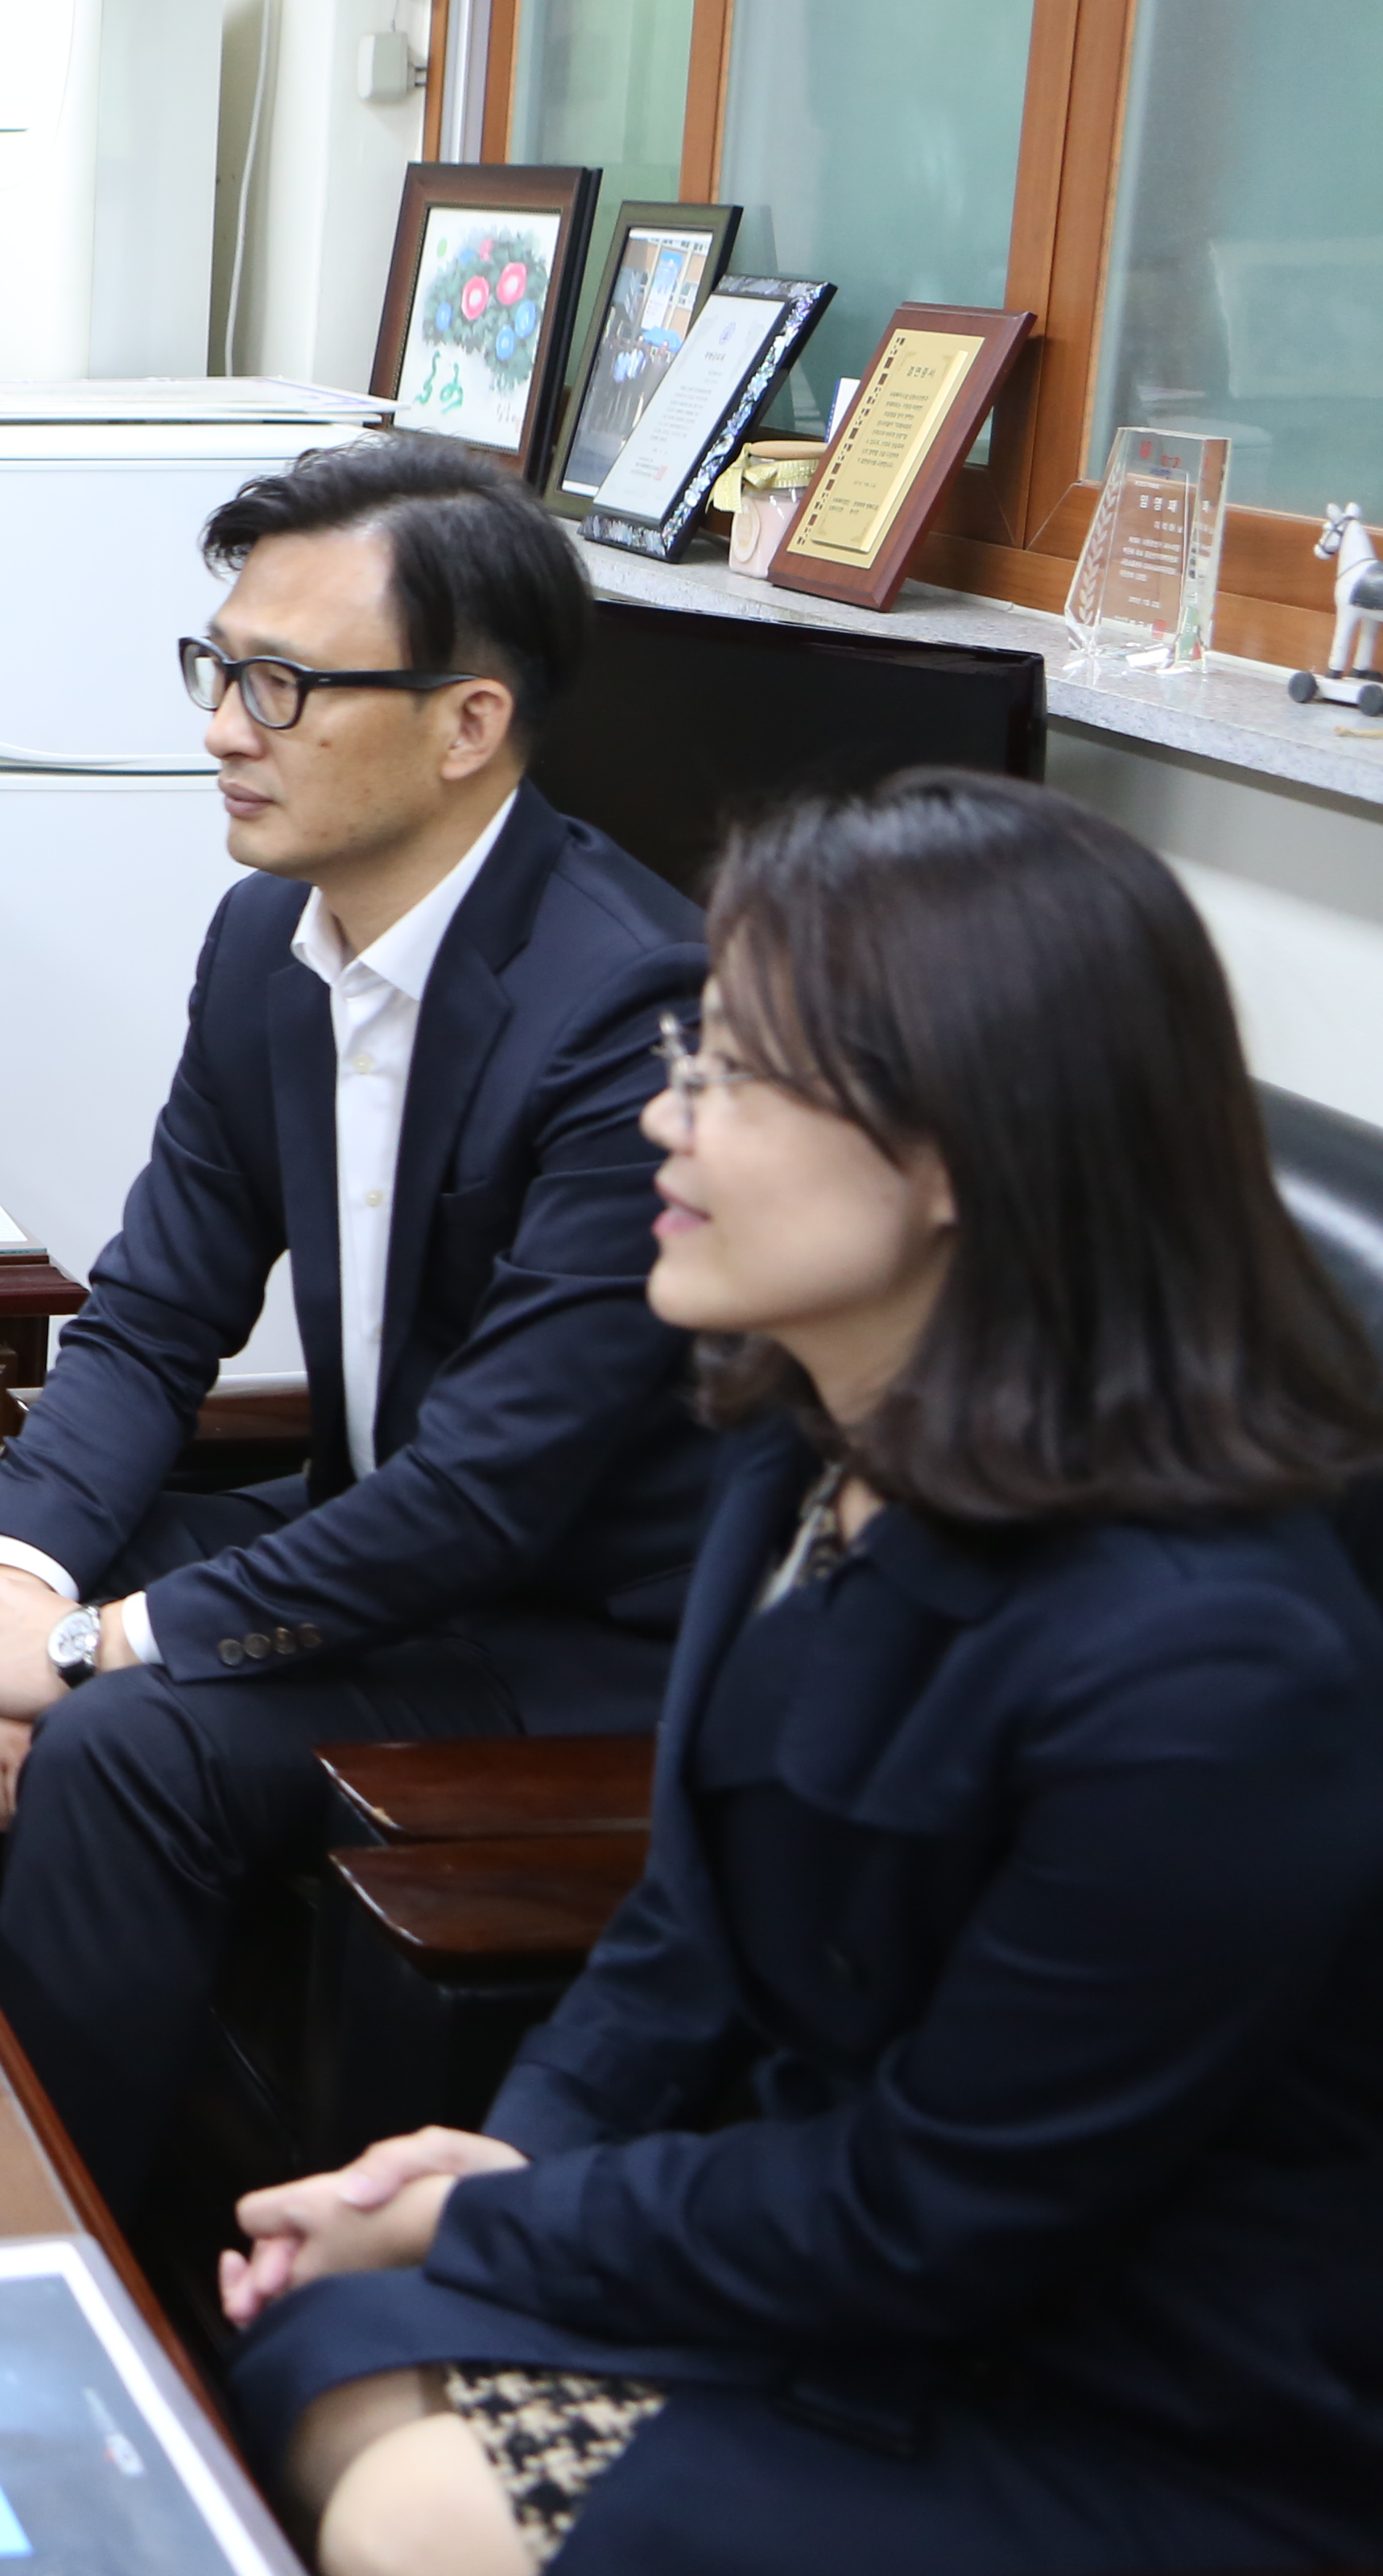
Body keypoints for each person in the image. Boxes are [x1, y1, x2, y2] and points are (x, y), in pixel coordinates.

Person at [222, 770, 1383, 2575]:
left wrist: (490, 2235)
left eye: (734, 1075)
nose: (660, 1117)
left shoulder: (1210, 1663)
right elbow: (681, 1932)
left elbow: (945, 2212)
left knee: (416, 2493)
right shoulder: (799, 1440)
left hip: (1123, 2395)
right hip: (838, 2259)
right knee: (326, 2353)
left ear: (957, 1154)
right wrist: (506, 2166)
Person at [0, 440, 717, 2212]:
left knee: (137, 1738)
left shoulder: (627, 1004)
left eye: (285, 684)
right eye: (221, 668)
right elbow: (153, 1320)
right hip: (371, 1545)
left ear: (466, 725)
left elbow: (489, 1498)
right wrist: (12, 1593)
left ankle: (86, 2250)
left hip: (569, 1627)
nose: (228, 724)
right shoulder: (264, 946)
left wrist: (86, 1652)